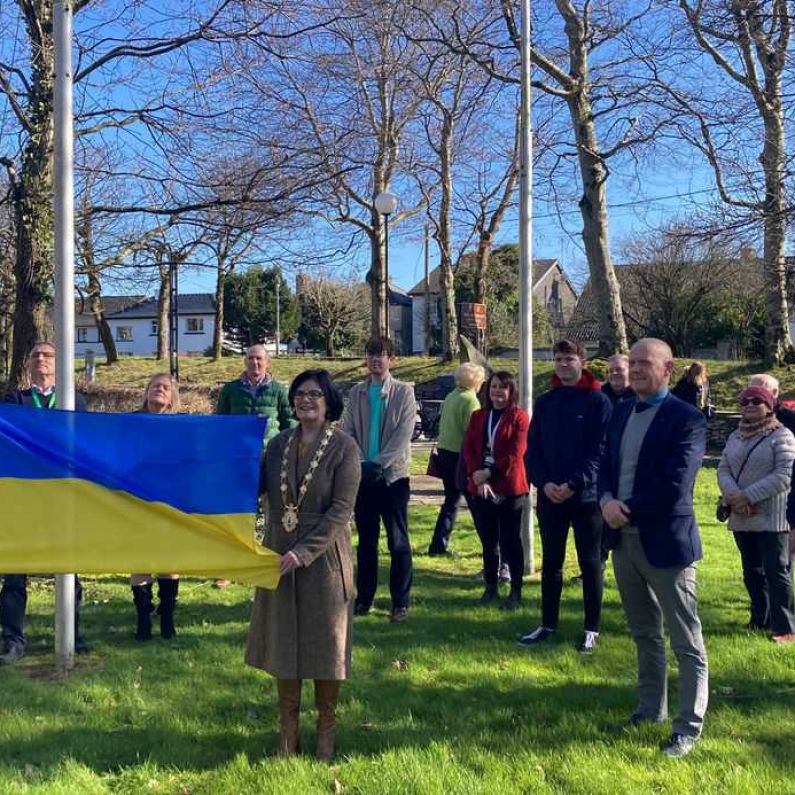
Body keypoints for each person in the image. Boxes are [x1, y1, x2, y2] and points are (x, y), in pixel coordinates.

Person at [599, 338, 708, 759]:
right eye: (634, 362)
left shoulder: (687, 419)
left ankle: (687, 728)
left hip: (665, 544)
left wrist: (625, 509)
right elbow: (606, 464)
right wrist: (606, 499)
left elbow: (676, 485)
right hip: (622, 542)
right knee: (644, 633)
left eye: (647, 363)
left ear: (668, 369)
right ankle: (650, 711)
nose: (638, 368)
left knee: (686, 640)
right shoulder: (622, 409)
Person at [245, 369, 360, 760]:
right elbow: (252, 488)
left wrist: (304, 552)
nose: (305, 400)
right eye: (299, 394)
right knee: (283, 643)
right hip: (278, 557)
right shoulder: (277, 445)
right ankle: (287, 735)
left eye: (314, 394)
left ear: (329, 402)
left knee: (326, 644)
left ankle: (325, 731)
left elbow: (341, 511)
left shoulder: (344, 448)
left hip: (324, 561)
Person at [520, 339, 612, 652]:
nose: (563, 364)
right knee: (552, 562)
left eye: (569, 359)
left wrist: (574, 484)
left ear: (582, 362)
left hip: (586, 498)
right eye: (558, 359)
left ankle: (591, 628)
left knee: (590, 563)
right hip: (549, 497)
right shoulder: (546, 402)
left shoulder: (598, 402)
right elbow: (533, 449)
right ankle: (547, 623)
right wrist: (543, 483)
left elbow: (600, 452)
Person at [1, 341, 89, 664]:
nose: (41, 358)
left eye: (48, 355)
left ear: (58, 363)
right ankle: (12, 640)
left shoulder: (75, 401)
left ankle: (73, 634)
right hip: (24, 494)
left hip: (63, 496)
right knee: (14, 571)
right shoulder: (15, 400)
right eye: (36, 354)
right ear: (29, 364)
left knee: (70, 569)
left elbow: (84, 444)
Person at [342, 336, 416, 623]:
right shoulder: (357, 393)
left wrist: (380, 464)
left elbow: (403, 434)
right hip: (363, 477)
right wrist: (362, 463)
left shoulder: (403, 392)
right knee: (367, 541)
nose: (376, 360)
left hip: (393, 478)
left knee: (398, 542)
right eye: (371, 355)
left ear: (391, 359)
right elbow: (347, 430)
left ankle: (400, 602)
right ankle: (364, 598)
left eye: (382, 355)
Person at [717, 385, 795, 640]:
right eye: (745, 401)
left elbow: (784, 475)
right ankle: (758, 619)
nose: (749, 405)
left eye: (756, 401)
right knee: (752, 572)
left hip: (772, 516)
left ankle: (784, 627)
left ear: (770, 406)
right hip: (742, 516)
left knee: (776, 571)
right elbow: (723, 468)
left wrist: (747, 496)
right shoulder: (735, 437)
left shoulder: (782, 435)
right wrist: (734, 496)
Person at [215, 344, 295, 587]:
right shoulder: (230, 390)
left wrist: (287, 451)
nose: (255, 363)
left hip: (270, 457)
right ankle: (230, 568)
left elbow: (289, 421)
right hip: (239, 460)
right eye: (250, 358)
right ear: (244, 361)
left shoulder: (280, 390)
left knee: (272, 511)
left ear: (267, 362)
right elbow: (220, 423)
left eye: (259, 359)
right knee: (239, 514)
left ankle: (267, 562)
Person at [462, 371, 530, 610]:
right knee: (488, 542)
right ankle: (491, 587)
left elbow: (516, 453)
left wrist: (490, 473)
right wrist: (477, 476)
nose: (497, 392)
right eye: (493, 387)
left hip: (509, 487)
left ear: (511, 391)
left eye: (503, 388)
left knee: (511, 540)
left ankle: (516, 591)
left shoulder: (519, 417)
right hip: (481, 487)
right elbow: (469, 448)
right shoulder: (479, 416)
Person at [130, 373, 181, 641]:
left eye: (165, 387)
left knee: (168, 557)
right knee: (140, 557)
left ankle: (167, 616)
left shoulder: (182, 427)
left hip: (170, 500)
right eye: (154, 386)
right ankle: (142, 619)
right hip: (137, 499)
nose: (159, 390)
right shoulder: (131, 422)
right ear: (146, 391)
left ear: (172, 397)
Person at [427, 363, 486, 556]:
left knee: (450, 501)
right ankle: (489, 544)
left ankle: (438, 544)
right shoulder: (471, 401)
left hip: (444, 452)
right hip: (461, 457)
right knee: (475, 504)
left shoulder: (450, 396)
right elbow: (473, 433)